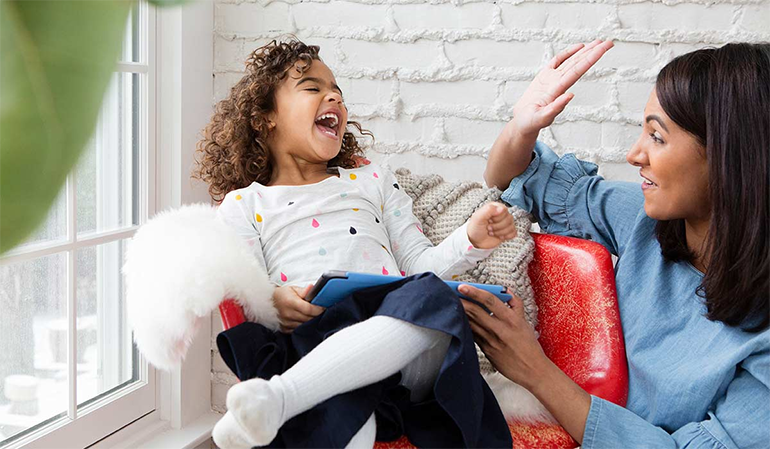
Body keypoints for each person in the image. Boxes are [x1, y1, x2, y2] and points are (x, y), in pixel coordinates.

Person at [193, 39, 519, 449]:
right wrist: (273, 298)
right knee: (344, 421)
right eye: (312, 88)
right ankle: (286, 401)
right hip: (316, 343)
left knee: (434, 300)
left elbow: (420, 268)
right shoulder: (245, 203)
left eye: (338, 92)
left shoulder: (372, 181)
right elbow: (243, 287)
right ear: (265, 118)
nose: (333, 96)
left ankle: (279, 400)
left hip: (402, 356)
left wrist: (472, 240)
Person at [462, 41, 770, 448]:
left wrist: (533, 370)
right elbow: (510, 179)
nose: (633, 154)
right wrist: (522, 125)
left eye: (657, 137)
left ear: (732, 157)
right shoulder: (644, 220)